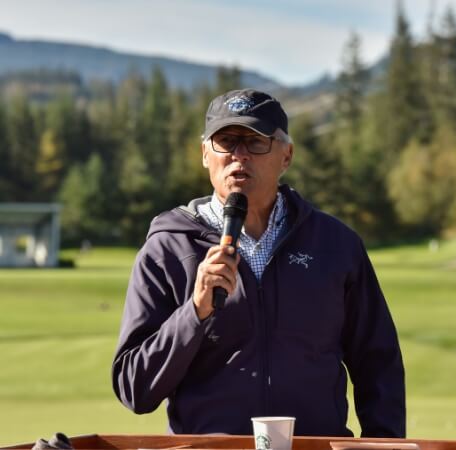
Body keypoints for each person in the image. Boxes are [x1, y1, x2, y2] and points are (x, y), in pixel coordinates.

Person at [112, 89, 405, 437]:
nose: (239, 155)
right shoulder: (167, 249)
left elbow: (378, 364)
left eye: (255, 142)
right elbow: (135, 387)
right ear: (205, 154)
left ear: (287, 155)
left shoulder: (336, 244)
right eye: (226, 142)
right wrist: (195, 312)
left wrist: (384, 445)